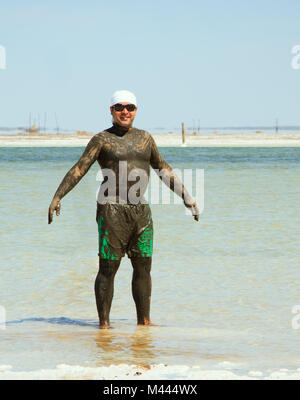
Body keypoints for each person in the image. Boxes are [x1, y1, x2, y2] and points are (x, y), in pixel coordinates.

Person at [48, 90, 199, 329]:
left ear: (136, 110)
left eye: (130, 107)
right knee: (108, 268)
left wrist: (187, 197)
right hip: (111, 211)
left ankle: (144, 322)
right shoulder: (102, 140)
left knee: (143, 267)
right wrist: (58, 196)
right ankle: (104, 325)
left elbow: (162, 168)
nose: (125, 111)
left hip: (140, 211)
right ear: (111, 111)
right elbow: (80, 168)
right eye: (119, 107)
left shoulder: (145, 138)